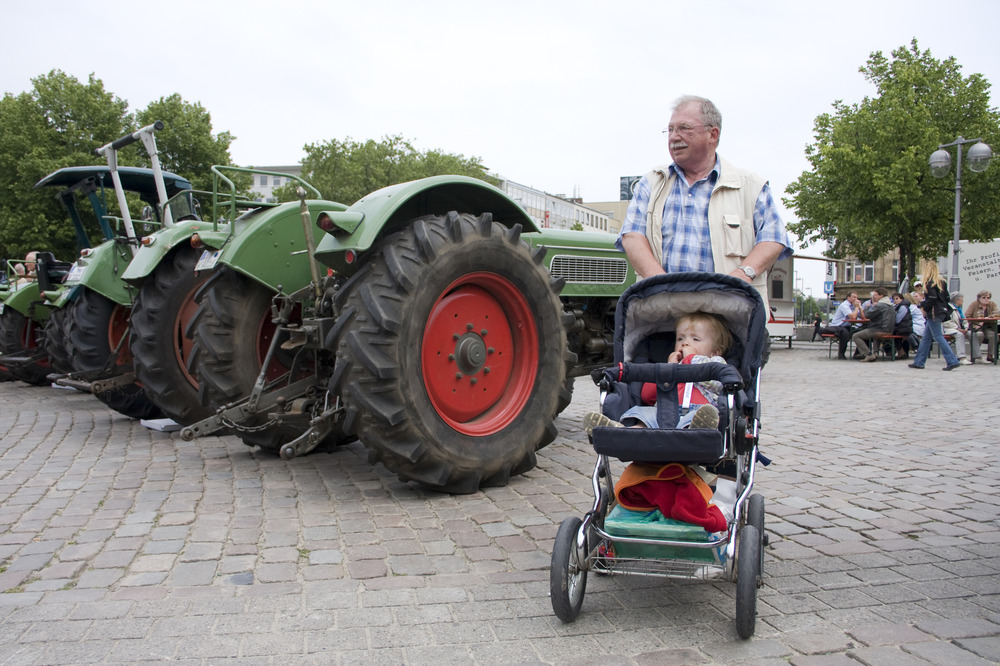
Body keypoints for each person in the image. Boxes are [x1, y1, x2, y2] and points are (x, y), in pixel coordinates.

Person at [616, 95, 794, 311]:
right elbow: (632, 237)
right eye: (670, 130)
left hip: (732, 316)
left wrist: (739, 277)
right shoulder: (651, 183)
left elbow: (774, 239)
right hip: (660, 316)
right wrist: (663, 287)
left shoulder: (751, 186)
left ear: (713, 134)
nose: (674, 137)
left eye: (684, 128)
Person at [584, 311, 733, 433]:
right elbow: (647, 396)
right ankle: (625, 432)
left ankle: (697, 430)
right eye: (680, 338)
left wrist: (691, 358)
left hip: (698, 412)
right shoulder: (670, 367)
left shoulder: (716, 364)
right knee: (644, 413)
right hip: (665, 414)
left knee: (700, 417)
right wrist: (666, 371)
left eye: (695, 339)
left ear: (715, 351)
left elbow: (717, 385)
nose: (685, 343)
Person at [908, 260, 961, 370]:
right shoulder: (942, 282)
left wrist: (924, 306)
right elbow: (946, 298)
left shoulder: (929, 283)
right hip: (941, 310)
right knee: (926, 338)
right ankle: (919, 361)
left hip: (933, 312)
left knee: (938, 337)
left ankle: (952, 360)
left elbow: (932, 298)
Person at [852, 287, 894, 362]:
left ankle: (868, 354)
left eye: (876, 295)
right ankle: (875, 353)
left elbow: (867, 315)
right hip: (889, 330)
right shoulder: (890, 305)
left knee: (856, 336)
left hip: (880, 329)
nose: (874, 297)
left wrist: (863, 308)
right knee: (875, 337)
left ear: (881, 295)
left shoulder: (880, 305)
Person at [817, 292, 862, 359]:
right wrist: (857, 307)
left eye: (856, 297)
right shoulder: (844, 305)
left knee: (861, 332)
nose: (855, 299)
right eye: (854, 297)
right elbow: (852, 317)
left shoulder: (853, 306)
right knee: (845, 333)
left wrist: (860, 307)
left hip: (847, 326)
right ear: (848, 297)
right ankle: (841, 354)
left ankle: (858, 353)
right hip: (838, 325)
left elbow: (862, 317)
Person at [965, 289, 999, 364]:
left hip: (988, 327)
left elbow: (997, 313)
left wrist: (986, 318)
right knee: (979, 335)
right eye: (984, 298)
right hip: (976, 326)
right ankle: (976, 355)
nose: (986, 299)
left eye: (988, 297)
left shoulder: (992, 304)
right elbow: (967, 315)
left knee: (993, 335)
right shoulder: (974, 304)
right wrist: (975, 321)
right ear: (979, 298)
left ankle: (990, 356)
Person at [943, 292, 970, 365]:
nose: (963, 301)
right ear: (956, 300)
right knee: (959, 335)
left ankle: (977, 356)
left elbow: (964, 320)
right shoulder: (949, 308)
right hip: (950, 329)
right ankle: (961, 357)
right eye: (962, 299)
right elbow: (946, 322)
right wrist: (958, 328)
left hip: (961, 329)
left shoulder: (959, 309)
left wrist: (966, 328)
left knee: (973, 334)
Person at [889, 292, 913, 359]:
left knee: (893, 334)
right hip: (903, 327)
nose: (895, 300)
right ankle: (901, 352)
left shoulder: (902, 307)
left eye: (897, 298)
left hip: (904, 328)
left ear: (901, 299)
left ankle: (901, 352)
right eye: (894, 299)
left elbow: (898, 319)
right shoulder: (897, 307)